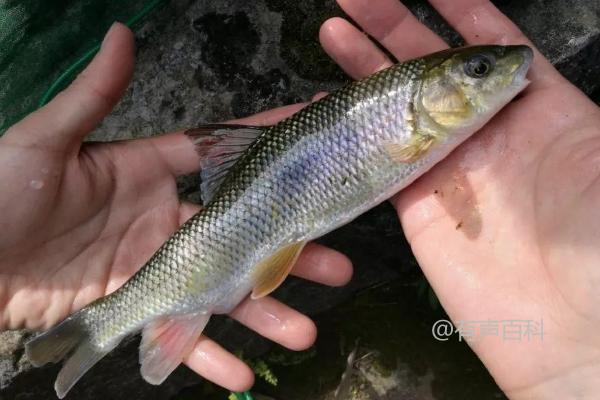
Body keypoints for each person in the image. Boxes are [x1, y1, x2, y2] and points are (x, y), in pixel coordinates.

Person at [0, 0, 598, 397]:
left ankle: (115, 320)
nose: (501, 69)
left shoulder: (428, 125)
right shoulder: (417, 125)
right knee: (212, 281)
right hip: (233, 230)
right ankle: (107, 322)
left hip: (242, 220)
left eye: (479, 69)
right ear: (431, 94)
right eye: (477, 71)